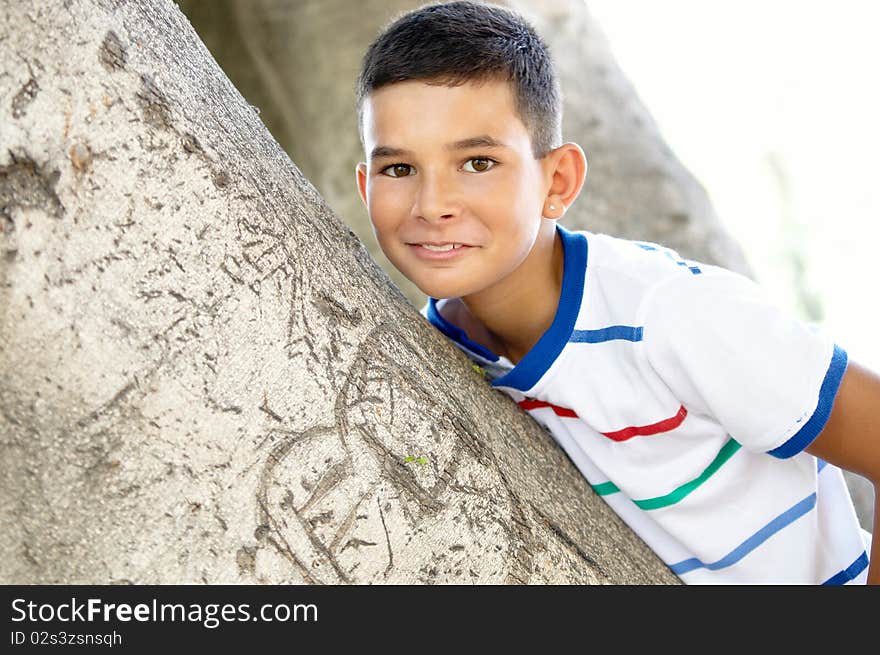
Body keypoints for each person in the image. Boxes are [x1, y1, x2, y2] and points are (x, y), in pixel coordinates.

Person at [353, 0, 878, 584]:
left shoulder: (669, 314)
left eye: (477, 162)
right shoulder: (439, 346)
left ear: (557, 182)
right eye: (398, 170)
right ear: (364, 184)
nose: (432, 205)